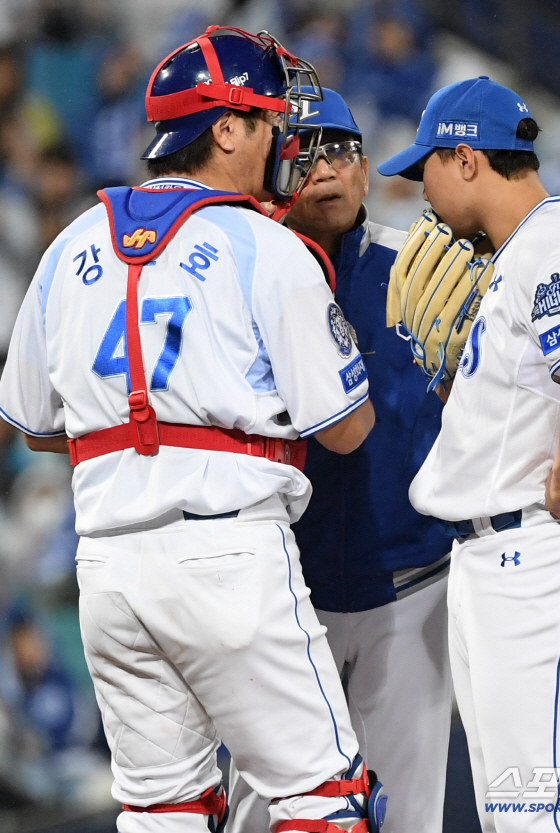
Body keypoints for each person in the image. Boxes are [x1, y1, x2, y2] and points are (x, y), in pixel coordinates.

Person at [0, 26, 382, 833]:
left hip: (106, 563)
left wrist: (143, 433)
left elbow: (33, 426)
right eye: (270, 117)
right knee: (327, 804)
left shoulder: (70, 244)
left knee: (162, 811)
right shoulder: (264, 245)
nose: (285, 135)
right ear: (227, 129)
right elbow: (347, 428)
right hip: (228, 553)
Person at [377, 76, 560, 833]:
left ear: (465, 159)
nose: (418, 185)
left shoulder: (553, 243)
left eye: (424, 164)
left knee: (540, 816)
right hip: (501, 558)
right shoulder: (517, 254)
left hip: (540, 552)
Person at [227, 89, 452, 833]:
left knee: (409, 814)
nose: (326, 167)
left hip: (412, 583)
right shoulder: (243, 270)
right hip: (288, 589)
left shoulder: (423, 268)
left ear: (365, 169)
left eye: (342, 150)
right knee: (265, 812)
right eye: (306, 149)